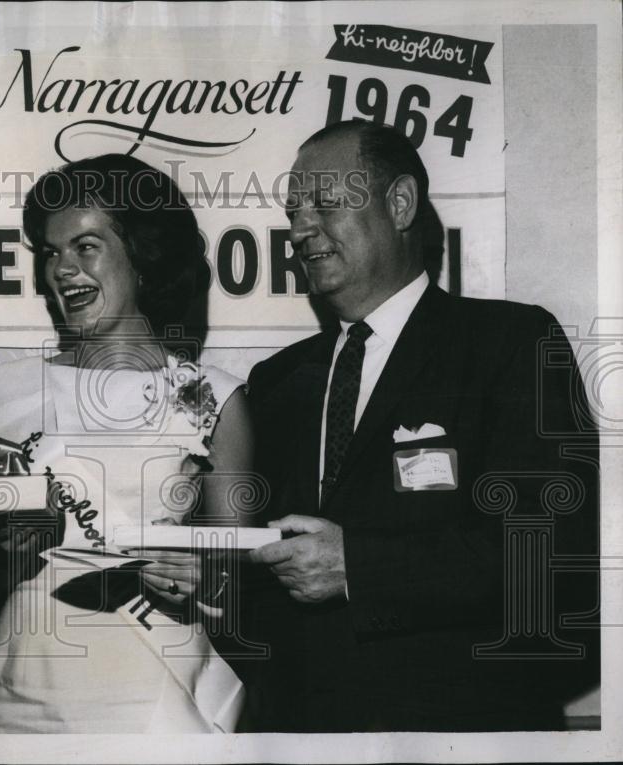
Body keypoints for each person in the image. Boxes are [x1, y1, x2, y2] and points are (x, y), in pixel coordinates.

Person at [244, 119, 599, 732]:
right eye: (293, 211)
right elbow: (264, 573)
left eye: (325, 203)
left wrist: (358, 566)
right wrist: (205, 583)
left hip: (461, 730)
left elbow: (549, 552)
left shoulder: (509, 343)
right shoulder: (275, 381)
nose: (299, 229)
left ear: (400, 203)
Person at [0, 154, 254, 733]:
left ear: (143, 256)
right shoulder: (4, 392)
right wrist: (1, 543)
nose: (62, 270)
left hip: (154, 680)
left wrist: (202, 578)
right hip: (23, 681)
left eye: (86, 246)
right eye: (50, 252)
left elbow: (240, 578)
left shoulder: (208, 397)